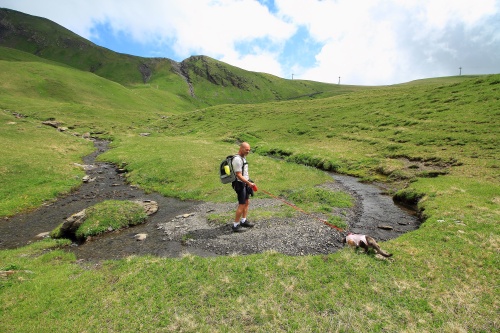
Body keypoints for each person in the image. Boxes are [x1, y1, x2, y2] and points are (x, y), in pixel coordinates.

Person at [231, 142, 256, 232]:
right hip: (239, 184)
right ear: (241, 148)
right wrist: (248, 183)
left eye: (249, 150)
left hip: (245, 183)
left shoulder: (243, 158)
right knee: (242, 204)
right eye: (246, 149)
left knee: (247, 202)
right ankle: (235, 225)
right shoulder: (237, 159)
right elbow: (238, 175)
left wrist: (249, 181)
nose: (248, 151)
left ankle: (243, 220)